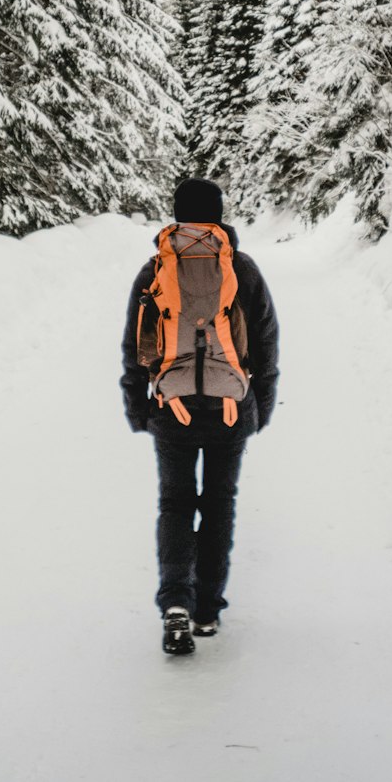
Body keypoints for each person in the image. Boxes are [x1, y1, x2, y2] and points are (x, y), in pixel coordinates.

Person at [120, 177, 280, 655]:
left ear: (176, 214)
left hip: (172, 409)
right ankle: (208, 609)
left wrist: (138, 407)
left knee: (175, 504)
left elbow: (135, 344)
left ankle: (175, 603)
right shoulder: (243, 269)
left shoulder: (154, 269)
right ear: (218, 214)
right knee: (218, 504)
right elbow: (266, 342)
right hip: (232, 408)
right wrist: (261, 405)